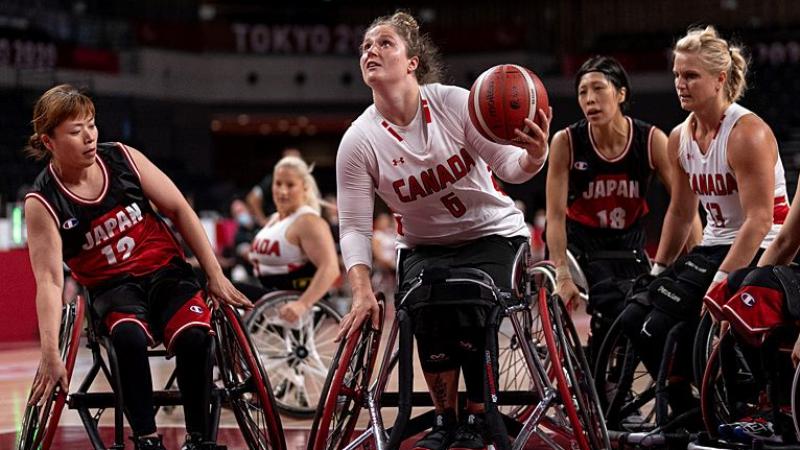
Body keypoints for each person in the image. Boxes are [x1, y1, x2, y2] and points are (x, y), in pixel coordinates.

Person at [335, 11, 550, 450]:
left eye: (384, 43)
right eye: (365, 47)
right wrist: (359, 289)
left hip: (493, 234)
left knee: (471, 297)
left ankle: (478, 414)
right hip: (425, 246)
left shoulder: (454, 103)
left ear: (412, 61)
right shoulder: (358, 140)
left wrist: (534, 156)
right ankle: (445, 419)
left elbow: (510, 166)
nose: (370, 51)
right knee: (424, 304)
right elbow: (354, 226)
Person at [23, 84, 252, 450]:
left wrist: (215, 275)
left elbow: (179, 208)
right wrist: (50, 353)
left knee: (195, 336)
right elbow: (50, 281)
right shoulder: (42, 201)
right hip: (113, 289)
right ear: (48, 141)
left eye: (92, 125)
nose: (89, 136)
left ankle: (200, 440)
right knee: (127, 337)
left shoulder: (123, 158)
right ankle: (147, 439)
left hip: (165, 272)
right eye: (75, 130)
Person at [619, 25, 789, 420]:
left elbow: (760, 219)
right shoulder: (679, 137)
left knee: (663, 322)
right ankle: (685, 406)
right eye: (677, 74)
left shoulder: (747, 133)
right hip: (713, 244)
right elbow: (680, 211)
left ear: (719, 79)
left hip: (761, 246)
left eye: (691, 75)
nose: (680, 83)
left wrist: (721, 281)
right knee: (633, 316)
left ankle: (722, 404)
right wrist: (659, 267)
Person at [545, 55, 701, 362]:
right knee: (617, 304)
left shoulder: (651, 139)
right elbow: (554, 215)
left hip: (630, 248)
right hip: (584, 249)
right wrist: (562, 272)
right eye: (582, 92)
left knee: (659, 310)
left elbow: (686, 207)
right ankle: (608, 378)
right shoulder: (567, 141)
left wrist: (698, 265)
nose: (590, 99)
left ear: (621, 94)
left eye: (598, 89)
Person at [238, 155, 340, 323]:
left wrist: (302, 304)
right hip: (268, 294)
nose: (282, 191)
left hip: (290, 299)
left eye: (290, 185)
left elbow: (330, 267)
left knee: (224, 287)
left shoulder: (308, 221)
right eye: (278, 184)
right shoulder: (273, 219)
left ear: (305, 188)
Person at [246, 147, 302, 226]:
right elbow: (252, 198)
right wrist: (262, 221)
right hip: (278, 223)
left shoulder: (305, 179)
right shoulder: (272, 179)